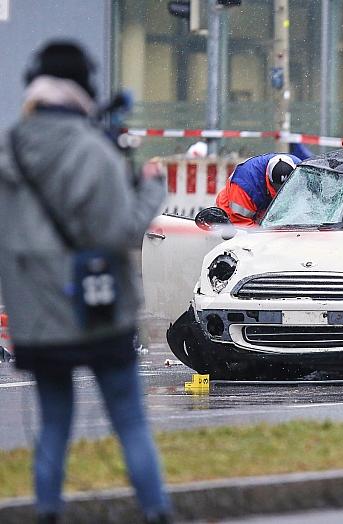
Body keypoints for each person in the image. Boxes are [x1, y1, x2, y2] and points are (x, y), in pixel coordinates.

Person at [0, 42, 171, 523]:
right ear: (83, 89)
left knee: (53, 423)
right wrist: (151, 191)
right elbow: (117, 232)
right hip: (99, 311)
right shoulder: (92, 150)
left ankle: (48, 514)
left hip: (39, 323)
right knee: (130, 422)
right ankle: (156, 513)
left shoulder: (10, 147)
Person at [216, 152, 300, 225]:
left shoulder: (301, 170)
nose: (282, 191)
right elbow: (241, 223)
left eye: (286, 186)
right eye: (277, 187)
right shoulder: (244, 184)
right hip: (232, 213)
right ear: (267, 177)